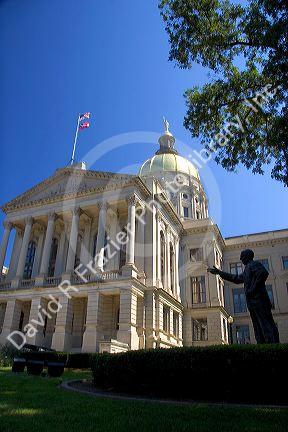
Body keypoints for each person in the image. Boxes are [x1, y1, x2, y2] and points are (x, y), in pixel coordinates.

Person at [208, 249, 279, 344]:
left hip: (259, 301)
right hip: (253, 302)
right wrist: (219, 273)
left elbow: (263, 273)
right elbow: (236, 278)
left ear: (247, 256)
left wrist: (253, 289)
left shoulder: (254, 264)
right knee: (258, 326)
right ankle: (263, 345)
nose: (241, 259)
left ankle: (272, 346)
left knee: (265, 325)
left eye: (242, 257)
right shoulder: (247, 269)